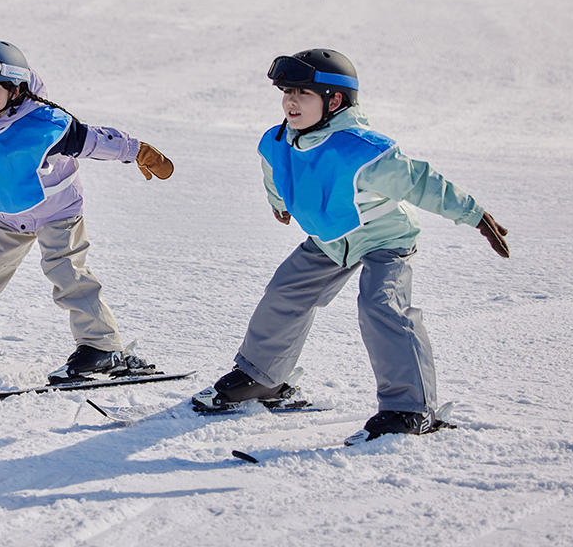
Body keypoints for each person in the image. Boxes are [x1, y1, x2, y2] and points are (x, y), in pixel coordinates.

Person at [193, 49, 510, 441]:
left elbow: (423, 183)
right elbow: (274, 173)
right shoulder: (277, 141)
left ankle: (410, 408)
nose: (291, 101)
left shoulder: (363, 151)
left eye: (303, 93)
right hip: (329, 239)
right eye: (287, 92)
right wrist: (278, 203)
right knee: (284, 292)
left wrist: (474, 214)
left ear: (335, 100)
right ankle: (263, 377)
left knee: (381, 305)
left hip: (384, 239)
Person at [0, 40, 175, 383]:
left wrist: (139, 151)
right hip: (10, 216)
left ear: (17, 90)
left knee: (68, 275)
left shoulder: (46, 125)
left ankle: (101, 346)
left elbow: (95, 140)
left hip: (59, 212)